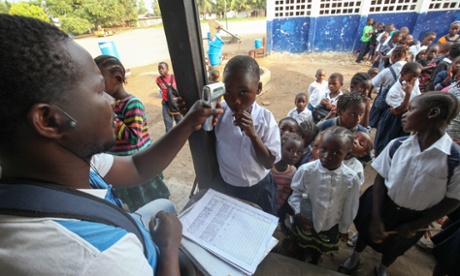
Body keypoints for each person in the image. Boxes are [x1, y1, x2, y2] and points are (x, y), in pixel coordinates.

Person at [0, 14, 223, 275]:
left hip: (126, 229)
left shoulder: (66, 161)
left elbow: (137, 166)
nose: (111, 101)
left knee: (165, 205)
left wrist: (187, 122)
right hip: (145, 252)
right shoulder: (99, 259)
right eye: (98, 91)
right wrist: (169, 245)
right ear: (49, 120)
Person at [339, 92, 460, 276]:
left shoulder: (454, 160)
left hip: (414, 217)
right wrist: (377, 215)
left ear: (432, 113)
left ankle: (382, 267)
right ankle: (355, 256)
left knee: (396, 246)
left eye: (411, 109)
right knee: (367, 231)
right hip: (381, 203)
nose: (405, 114)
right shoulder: (398, 145)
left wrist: (418, 224)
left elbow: (453, 200)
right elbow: (380, 178)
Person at [94, 55, 170, 211]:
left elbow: (134, 137)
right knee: (134, 204)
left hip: (138, 165)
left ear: (117, 78)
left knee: (151, 202)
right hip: (121, 166)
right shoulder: (106, 105)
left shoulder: (132, 103)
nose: (95, 86)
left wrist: (109, 114)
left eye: (99, 80)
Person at [215, 55, 281, 215]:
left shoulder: (266, 119)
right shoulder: (218, 114)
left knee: (263, 226)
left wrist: (253, 134)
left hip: (260, 187)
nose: (235, 100)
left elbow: (268, 162)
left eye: (243, 92)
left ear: (258, 88)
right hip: (230, 187)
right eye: (228, 92)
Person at [288, 126, 360, 264]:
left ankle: (315, 258)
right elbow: (296, 194)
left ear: (348, 153)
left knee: (321, 245)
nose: (327, 156)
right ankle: (300, 255)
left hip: (330, 223)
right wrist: (298, 212)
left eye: (336, 152)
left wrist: (344, 228)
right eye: (324, 149)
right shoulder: (306, 170)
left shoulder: (351, 179)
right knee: (303, 241)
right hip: (306, 220)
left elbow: (350, 206)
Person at [374, 62, 422, 156]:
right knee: (386, 141)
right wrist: (408, 94)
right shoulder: (394, 90)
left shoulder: (413, 83)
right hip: (393, 120)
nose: (415, 79)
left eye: (417, 76)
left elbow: (417, 97)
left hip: (407, 118)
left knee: (400, 145)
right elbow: (399, 110)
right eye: (412, 76)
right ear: (403, 74)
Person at [369, 46, 407, 128]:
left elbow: (373, 83)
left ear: (394, 56)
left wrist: (368, 94)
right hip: (401, 102)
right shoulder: (410, 70)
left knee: (374, 120)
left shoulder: (387, 71)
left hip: (384, 99)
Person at [272, 132, 304, 221]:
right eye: (290, 150)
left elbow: (285, 193)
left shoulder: (293, 172)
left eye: (299, 152)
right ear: (280, 147)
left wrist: (275, 208)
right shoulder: (268, 165)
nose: (295, 155)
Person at [156, 61, 182, 132]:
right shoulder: (158, 79)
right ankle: (171, 138)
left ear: (167, 69)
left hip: (175, 103)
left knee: (179, 121)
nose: (160, 70)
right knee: (168, 124)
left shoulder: (174, 77)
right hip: (166, 103)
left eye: (162, 68)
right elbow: (160, 87)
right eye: (159, 69)